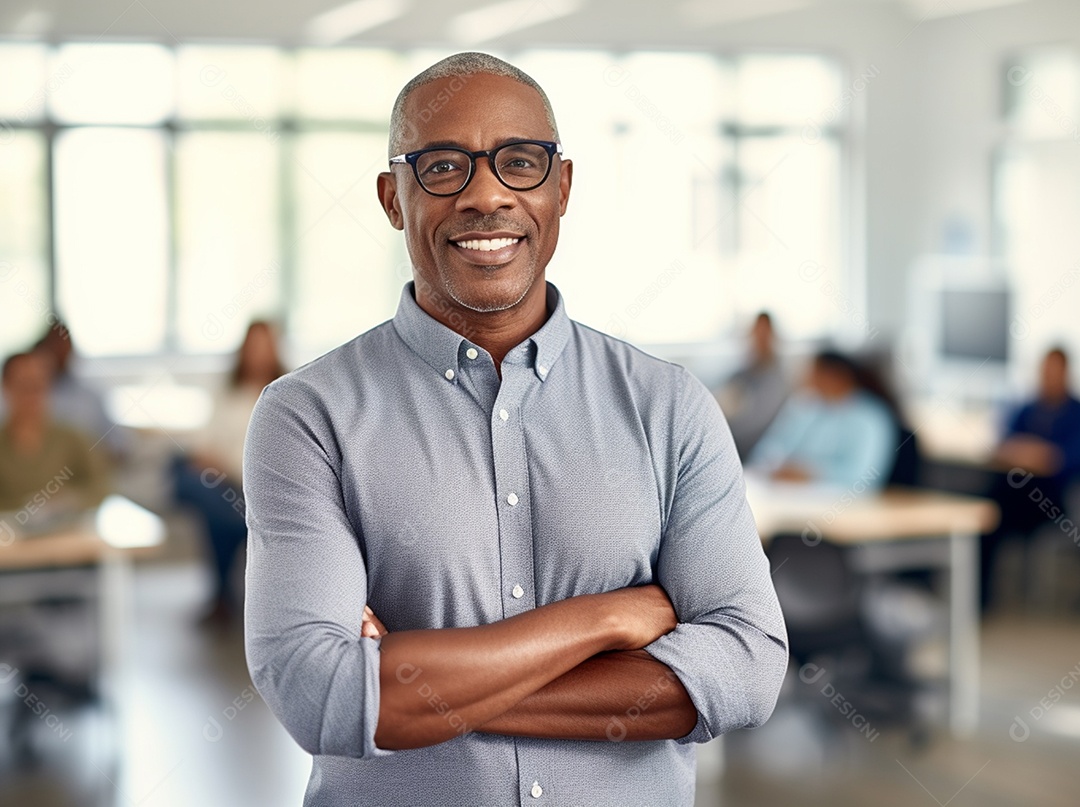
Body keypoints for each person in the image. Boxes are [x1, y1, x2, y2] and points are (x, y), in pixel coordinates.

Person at [243, 52, 787, 806]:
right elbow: (319, 693)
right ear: (392, 198)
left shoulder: (669, 405)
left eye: (520, 162)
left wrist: (408, 687)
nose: (486, 195)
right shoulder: (307, 415)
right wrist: (608, 617)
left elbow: (746, 668)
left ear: (561, 187)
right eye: (442, 167)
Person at [173, 321, 285, 622]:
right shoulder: (226, 393)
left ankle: (222, 597)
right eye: (252, 346)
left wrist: (231, 464)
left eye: (264, 346)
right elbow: (203, 447)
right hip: (224, 484)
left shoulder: (288, 393)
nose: (257, 354)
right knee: (184, 472)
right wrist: (219, 464)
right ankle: (236, 520)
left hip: (264, 489)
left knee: (216, 517)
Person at [980, 346, 1080, 611]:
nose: (1048, 377)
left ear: (1066, 373)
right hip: (1016, 493)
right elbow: (1003, 448)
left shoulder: (1075, 413)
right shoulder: (1028, 408)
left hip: (1053, 501)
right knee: (990, 504)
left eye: (1053, 371)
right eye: (1044, 371)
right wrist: (1033, 453)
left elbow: (1058, 460)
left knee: (999, 501)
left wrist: (1029, 452)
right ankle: (980, 597)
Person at [748, 349, 896, 489]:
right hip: (788, 493)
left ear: (836, 376)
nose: (808, 379)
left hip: (844, 501)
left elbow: (862, 475)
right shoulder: (804, 408)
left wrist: (810, 473)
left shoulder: (871, 418)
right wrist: (774, 466)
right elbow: (772, 447)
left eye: (814, 373)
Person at [0, 351, 110, 520]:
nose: (32, 396)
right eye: (24, 386)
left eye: (38, 386)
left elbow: (102, 486)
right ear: (6, 386)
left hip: (66, 530)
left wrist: (70, 500)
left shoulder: (73, 437)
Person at [32, 320, 126, 459]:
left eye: (64, 345)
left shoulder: (91, 397)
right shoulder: (25, 397)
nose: (59, 351)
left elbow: (119, 445)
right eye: (54, 345)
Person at [713, 311, 789, 458]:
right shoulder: (745, 369)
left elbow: (758, 421)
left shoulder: (777, 376)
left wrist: (723, 431)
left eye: (764, 333)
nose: (759, 338)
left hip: (753, 442)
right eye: (756, 332)